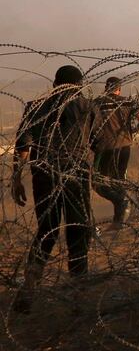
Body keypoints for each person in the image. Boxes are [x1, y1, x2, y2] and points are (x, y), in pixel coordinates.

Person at [11, 65, 98, 313]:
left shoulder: (35, 107)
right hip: (75, 174)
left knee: (46, 230)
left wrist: (16, 179)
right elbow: (98, 143)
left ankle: (28, 289)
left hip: (44, 175)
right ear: (79, 85)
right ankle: (79, 296)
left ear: (54, 84)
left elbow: (23, 148)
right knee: (78, 231)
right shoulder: (87, 106)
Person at [92, 76, 139, 229]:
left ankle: (120, 206)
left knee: (96, 182)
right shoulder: (128, 101)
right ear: (119, 88)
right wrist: (131, 132)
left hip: (104, 148)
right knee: (119, 181)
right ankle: (119, 219)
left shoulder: (97, 103)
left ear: (106, 88)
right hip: (124, 147)